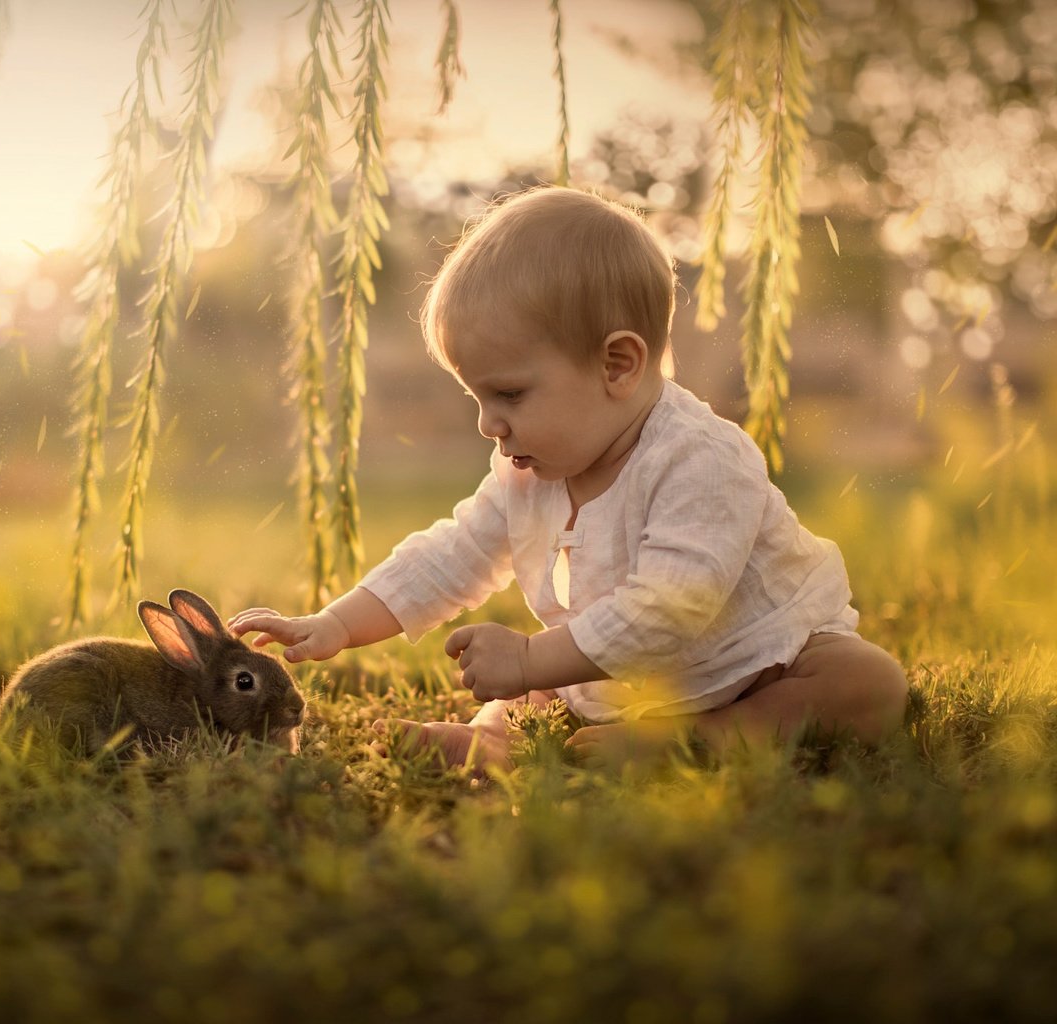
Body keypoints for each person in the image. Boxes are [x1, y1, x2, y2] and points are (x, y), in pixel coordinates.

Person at [229, 186, 909, 772]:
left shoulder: (703, 460)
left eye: (510, 396)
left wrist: (530, 660)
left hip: (751, 666)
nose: (488, 427)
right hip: (608, 677)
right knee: (533, 696)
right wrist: (338, 623)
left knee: (863, 680)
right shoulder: (531, 470)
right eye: (477, 401)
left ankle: (706, 740)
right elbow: (453, 553)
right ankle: (493, 742)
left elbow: (674, 607)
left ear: (617, 365)